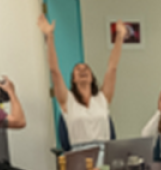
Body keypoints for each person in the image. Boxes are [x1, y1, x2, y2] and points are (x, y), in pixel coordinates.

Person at [40, 14, 127, 149]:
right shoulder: (67, 99)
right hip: (78, 155)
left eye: (86, 69)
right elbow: (54, 71)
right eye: (78, 69)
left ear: (92, 77)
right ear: (73, 79)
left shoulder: (101, 99)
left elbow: (112, 68)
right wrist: (49, 37)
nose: (82, 70)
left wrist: (119, 37)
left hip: (104, 153)